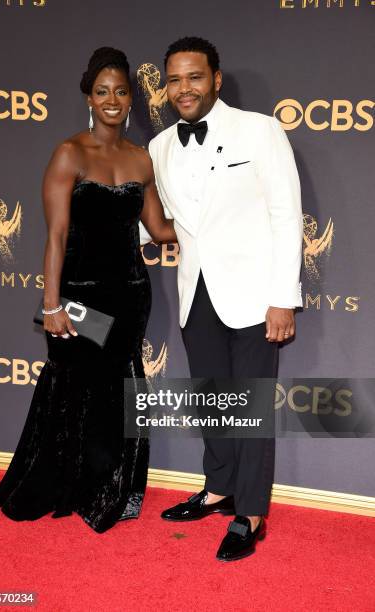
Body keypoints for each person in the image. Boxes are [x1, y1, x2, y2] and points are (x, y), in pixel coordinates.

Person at [0, 47, 177, 533]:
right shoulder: (69, 152)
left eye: (120, 90)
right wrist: (51, 304)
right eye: (102, 91)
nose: (112, 99)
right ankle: (63, 483)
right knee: (72, 386)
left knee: (120, 391)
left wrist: (220, 218)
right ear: (89, 98)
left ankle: (110, 489)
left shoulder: (140, 158)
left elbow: (158, 230)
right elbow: (55, 235)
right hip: (78, 296)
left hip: (131, 293)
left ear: (132, 97)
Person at [147, 37, 303, 561]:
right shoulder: (160, 146)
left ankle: (251, 512)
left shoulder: (260, 130)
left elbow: (286, 216)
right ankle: (218, 489)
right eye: (173, 79)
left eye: (194, 77)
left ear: (216, 78)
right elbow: (163, 225)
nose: (183, 88)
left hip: (257, 296)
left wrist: (283, 298)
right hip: (197, 294)